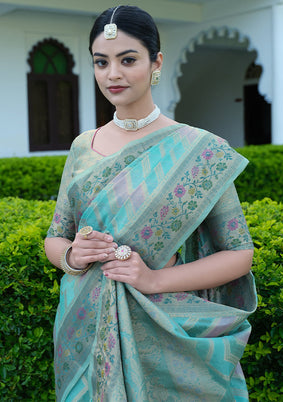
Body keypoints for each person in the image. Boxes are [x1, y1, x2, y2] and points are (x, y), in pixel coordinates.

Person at [45, 5, 257, 401]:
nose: (113, 74)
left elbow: (239, 254)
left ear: (156, 62)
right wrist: (73, 256)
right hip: (84, 325)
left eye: (128, 60)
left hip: (165, 325)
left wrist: (153, 279)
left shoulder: (199, 150)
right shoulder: (82, 146)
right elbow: (56, 237)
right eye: (101, 62)